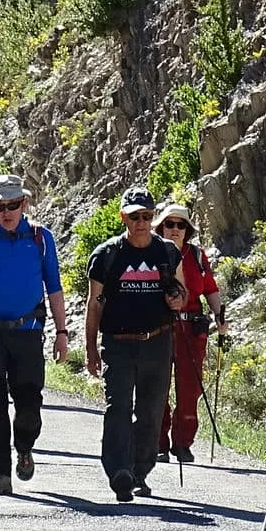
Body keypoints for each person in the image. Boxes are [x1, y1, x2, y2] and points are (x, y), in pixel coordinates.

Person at [0, 174, 65, 496]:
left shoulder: (40, 238)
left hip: (28, 332)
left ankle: (24, 446)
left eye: (12, 205)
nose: (6, 212)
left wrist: (62, 332)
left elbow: (55, 288)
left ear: (25, 204)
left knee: (29, 405)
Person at [83, 187, 188, 502]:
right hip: (118, 343)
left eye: (146, 216)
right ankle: (119, 471)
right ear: (123, 217)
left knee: (151, 411)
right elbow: (94, 305)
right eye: (134, 216)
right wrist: (90, 349)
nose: (141, 222)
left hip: (157, 341)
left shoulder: (168, 252)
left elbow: (182, 296)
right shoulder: (106, 255)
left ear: (152, 216)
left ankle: (140, 470)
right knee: (118, 408)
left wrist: (176, 299)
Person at [153, 203, 224, 463]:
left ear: (187, 230)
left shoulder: (196, 256)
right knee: (156, 384)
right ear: (160, 226)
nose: (174, 229)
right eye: (169, 224)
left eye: (180, 225)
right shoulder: (151, 253)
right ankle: (158, 441)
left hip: (191, 329)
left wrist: (220, 316)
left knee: (189, 387)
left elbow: (210, 288)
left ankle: (182, 443)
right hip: (159, 327)